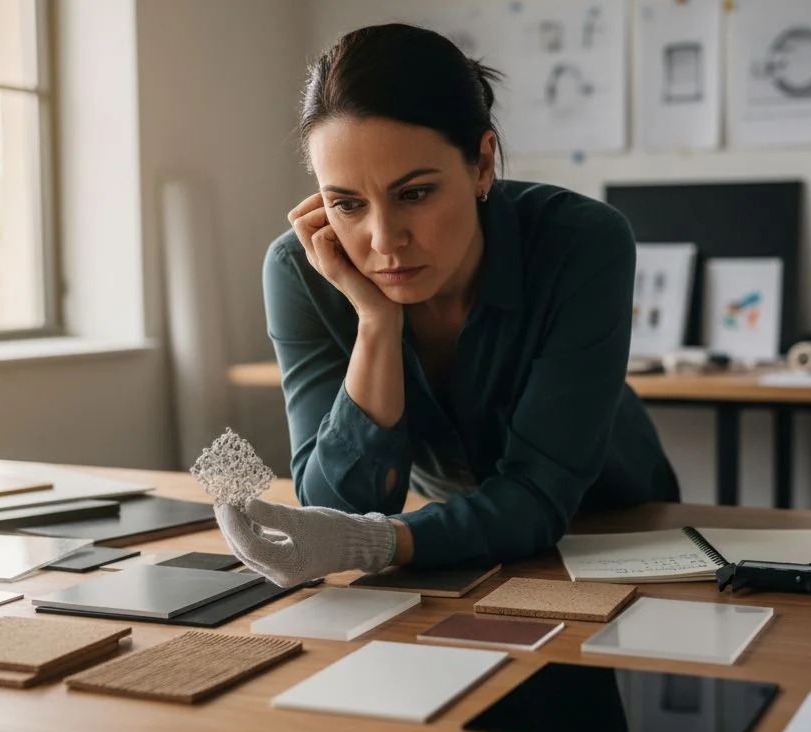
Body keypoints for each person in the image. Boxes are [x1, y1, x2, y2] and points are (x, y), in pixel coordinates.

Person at [216, 23, 680, 588]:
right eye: (347, 203)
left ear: (482, 164)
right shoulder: (304, 269)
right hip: (450, 548)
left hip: (617, 532)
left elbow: (537, 495)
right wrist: (376, 323)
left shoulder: (583, 242)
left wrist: (376, 541)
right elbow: (334, 507)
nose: (383, 240)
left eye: (414, 194)